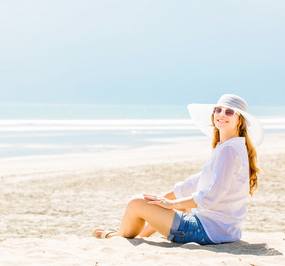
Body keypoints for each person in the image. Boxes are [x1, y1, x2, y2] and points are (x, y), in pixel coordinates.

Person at [92, 94, 263, 245]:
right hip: (222, 231)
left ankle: (119, 238)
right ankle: (141, 236)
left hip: (208, 232)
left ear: (239, 120)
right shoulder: (228, 147)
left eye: (229, 112)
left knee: (135, 203)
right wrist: (161, 199)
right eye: (218, 110)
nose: (221, 114)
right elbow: (194, 183)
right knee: (162, 201)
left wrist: (170, 204)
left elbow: (211, 196)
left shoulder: (229, 150)